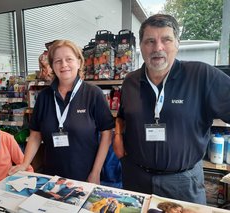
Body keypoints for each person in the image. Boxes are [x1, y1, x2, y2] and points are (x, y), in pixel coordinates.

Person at [113, 14, 230, 204]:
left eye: (166, 39)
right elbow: (123, 119)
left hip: (183, 183)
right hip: (136, 179)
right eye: (150, 41)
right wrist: (118, 142)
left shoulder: (202, 76)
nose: (158, 47)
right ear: (141, 47)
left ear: (177, 43)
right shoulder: (130, 81)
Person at [12, 39, 114, 183]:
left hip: (86, 176)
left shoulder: (93, 94)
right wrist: (25, 164)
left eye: (69, 59)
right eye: (58, 61)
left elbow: (107, 134)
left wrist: (96, 172)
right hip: (52, 177)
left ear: (79, 62)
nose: (64, 65)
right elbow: (35, 135)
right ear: (53, 66)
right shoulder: (44, 97)